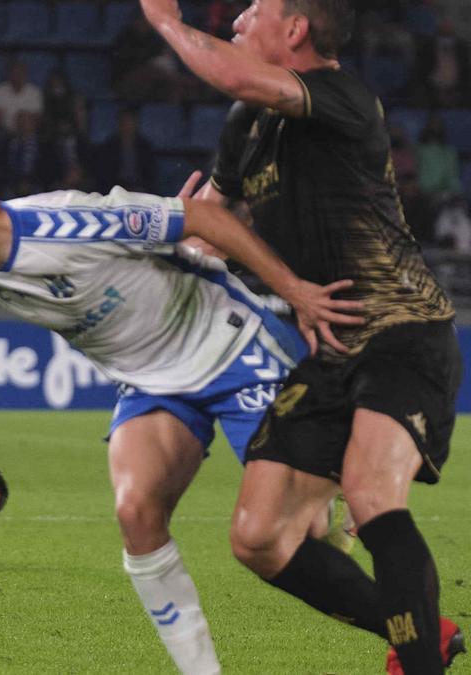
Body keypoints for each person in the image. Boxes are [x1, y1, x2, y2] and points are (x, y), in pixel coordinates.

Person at [0, 146, 362, 674]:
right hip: (153, 382)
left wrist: (295, 291)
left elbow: (204, 217)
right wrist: (167, 245)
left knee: (298, 540)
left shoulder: (66, 224)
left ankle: (341, 494)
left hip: (230, 353)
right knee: (136, 511)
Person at [138, 0, 466, 672]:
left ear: (295, 30)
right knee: (259, 536)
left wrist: (170, 23)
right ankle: (420, 632)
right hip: (329, 348)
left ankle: (419, 661)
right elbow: (218, 228)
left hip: (402, 328)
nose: (235, 23)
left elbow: (239, 77)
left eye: (252, 11)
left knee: (371, 494)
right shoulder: (246, 126)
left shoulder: (344, 96)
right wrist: (183, 239)